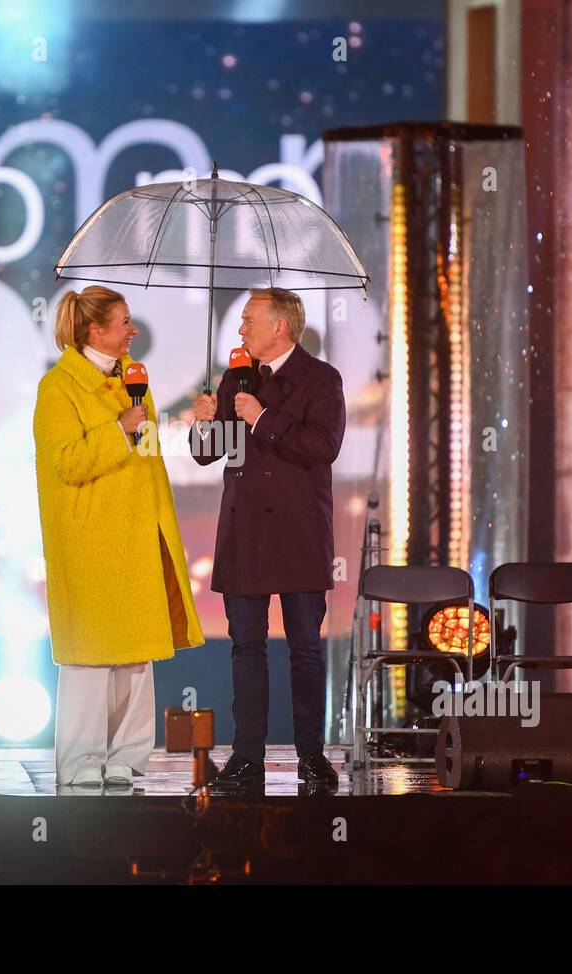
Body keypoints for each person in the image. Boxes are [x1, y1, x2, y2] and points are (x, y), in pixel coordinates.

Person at [34, 284, 204, 788]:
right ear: (95, 330)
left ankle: (129, 756)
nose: (133, 329)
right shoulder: (57, 388)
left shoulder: (136, 383)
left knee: (136, 653)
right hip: (89, 540)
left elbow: (147, 452)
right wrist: (119, 430)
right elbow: (67, 462)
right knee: (90, 655)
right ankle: (82, 758)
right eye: (125, 321)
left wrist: (190, 423)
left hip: (136, 533)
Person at [190, 287, 346, 793]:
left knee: (305, 649)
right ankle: (246, 757)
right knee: (245, 648)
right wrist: (205, 424)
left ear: (280, 326)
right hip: (245, 535)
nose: (240, 329)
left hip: (299, 534)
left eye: (249, 319)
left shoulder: (321, 379)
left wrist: (262, 417)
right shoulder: (235, 377)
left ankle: (311, 756)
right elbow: (207, 456)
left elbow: (323, 446)